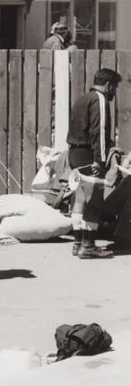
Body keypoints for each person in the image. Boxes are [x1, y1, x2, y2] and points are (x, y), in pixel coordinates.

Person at [67, 68, 123, 259]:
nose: (114, 92)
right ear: (108, 85)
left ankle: (77, 243)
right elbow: (98, 132)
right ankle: (88, 245)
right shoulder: (100, 99)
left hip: (74, 153)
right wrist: (99, 160)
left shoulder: (82, 99)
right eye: (114, 87)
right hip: (88, 155)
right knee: (94, 201)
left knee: (80, 198)